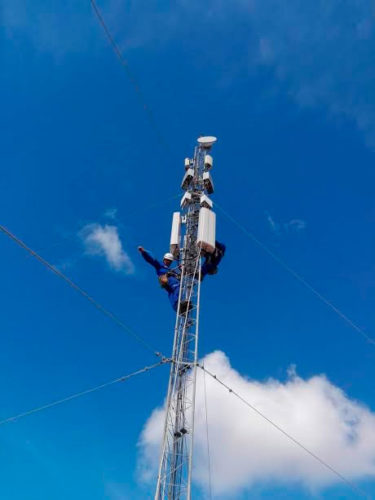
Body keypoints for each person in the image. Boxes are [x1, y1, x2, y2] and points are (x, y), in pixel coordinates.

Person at [138, 246, 191, 314]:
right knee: (176, 287)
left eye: (170, 261)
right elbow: (151, 260)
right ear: (164, 259)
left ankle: (181, 307)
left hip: (172, 282)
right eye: (168, 260)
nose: (169, 262)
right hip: (167, 280)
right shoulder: (160, 265)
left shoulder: (170, 270)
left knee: (176, 290)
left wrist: (181, 270)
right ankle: (177, 305)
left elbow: (178, 276)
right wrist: (144, 252)